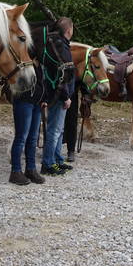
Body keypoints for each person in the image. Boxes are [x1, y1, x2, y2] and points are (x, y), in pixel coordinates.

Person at [40, 17, 76, 176]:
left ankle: (57, 159)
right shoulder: (60, 46)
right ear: (69, 30)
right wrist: (66, 96)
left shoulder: (60, 45)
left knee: (59, 130)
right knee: (54, 131)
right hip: (58, 95)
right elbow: (62, 75)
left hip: (60, 94)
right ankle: (48, 163)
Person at [8, 58, 47, 186]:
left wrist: (44, 98)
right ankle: (15, 171)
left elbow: (42, 82)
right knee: (21, 137)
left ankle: (30, 169)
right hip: (24, 101)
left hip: (37, 103)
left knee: (33, 138)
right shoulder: (24, 61)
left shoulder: (40, 63)